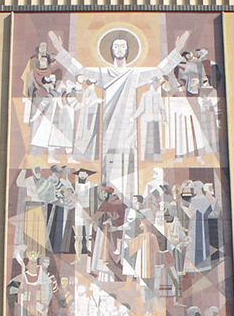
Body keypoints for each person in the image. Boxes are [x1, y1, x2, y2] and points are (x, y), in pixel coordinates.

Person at [48, 29, 189, 201]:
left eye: (123, 46)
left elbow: (160, 70)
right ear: (111, 50)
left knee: (129, 174)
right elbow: (80, 70)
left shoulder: (135, 74)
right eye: (116, 46)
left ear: (129, 50)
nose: (120, 49)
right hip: (109, 132)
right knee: (109, 175)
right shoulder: (103, 74)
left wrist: (178, 50)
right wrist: (60, 50)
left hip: (129, 133)